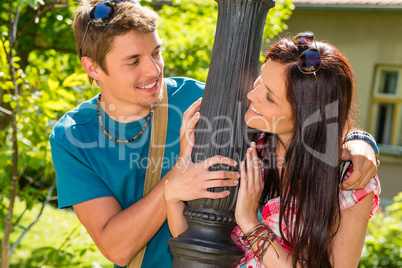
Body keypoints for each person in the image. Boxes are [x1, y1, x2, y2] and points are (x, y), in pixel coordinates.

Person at [49, 0, 377, 265]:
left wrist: (360, 143)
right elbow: (116, 249)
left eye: (156, 52)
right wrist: (176, 180)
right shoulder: (73, 136)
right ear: (92, 67)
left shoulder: (203, 100)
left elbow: (304, 110)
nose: (154, 70)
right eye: (133, 60)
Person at [165, 32, 381, 268]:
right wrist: (172, 195)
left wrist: (250, 223)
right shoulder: (241, 144)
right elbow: (197, 245)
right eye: (260, 80)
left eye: (269, 97)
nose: (251, 95)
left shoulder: (349, 181)